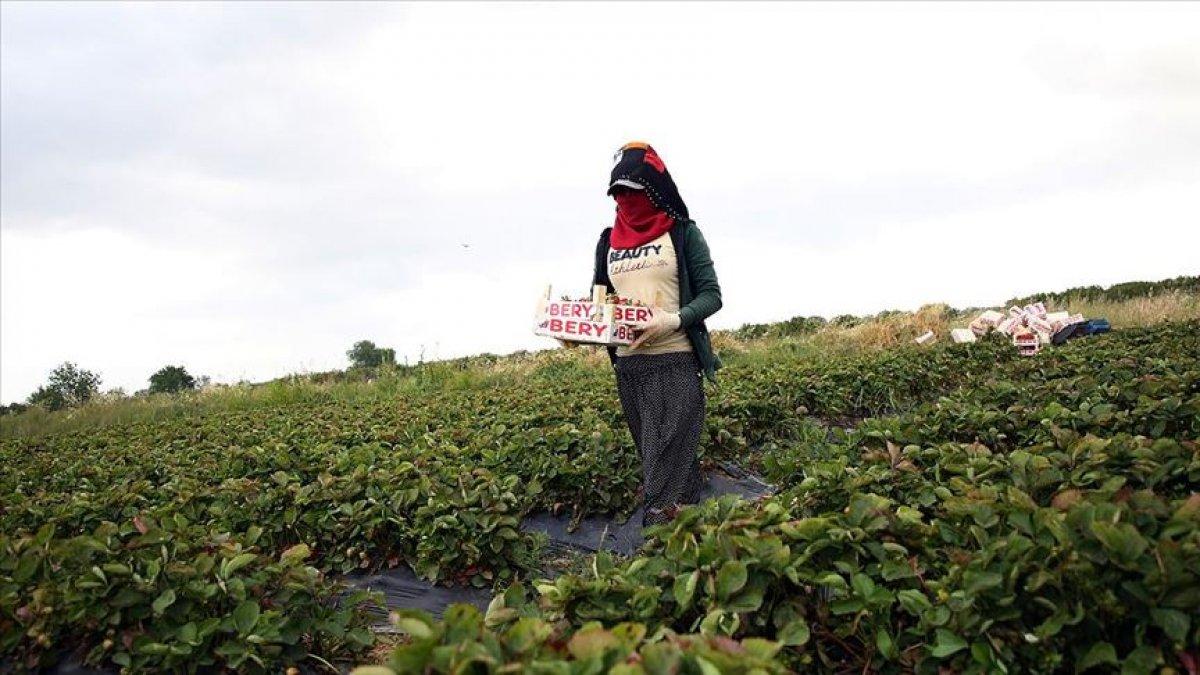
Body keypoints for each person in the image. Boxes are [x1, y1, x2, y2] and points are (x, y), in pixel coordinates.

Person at [590, 141, 723, 526]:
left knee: (662, 470)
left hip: (675, 359)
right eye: (618, 193)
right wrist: (582, 326)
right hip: (630, 368)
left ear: (654, 191)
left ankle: (656, 550)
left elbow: (712, 295)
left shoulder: (681, 234)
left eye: (633, 191)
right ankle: (693, 535)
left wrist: (671, 320)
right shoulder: (607, 242)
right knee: (662, 456)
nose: (625, 200)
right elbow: (601, 299)